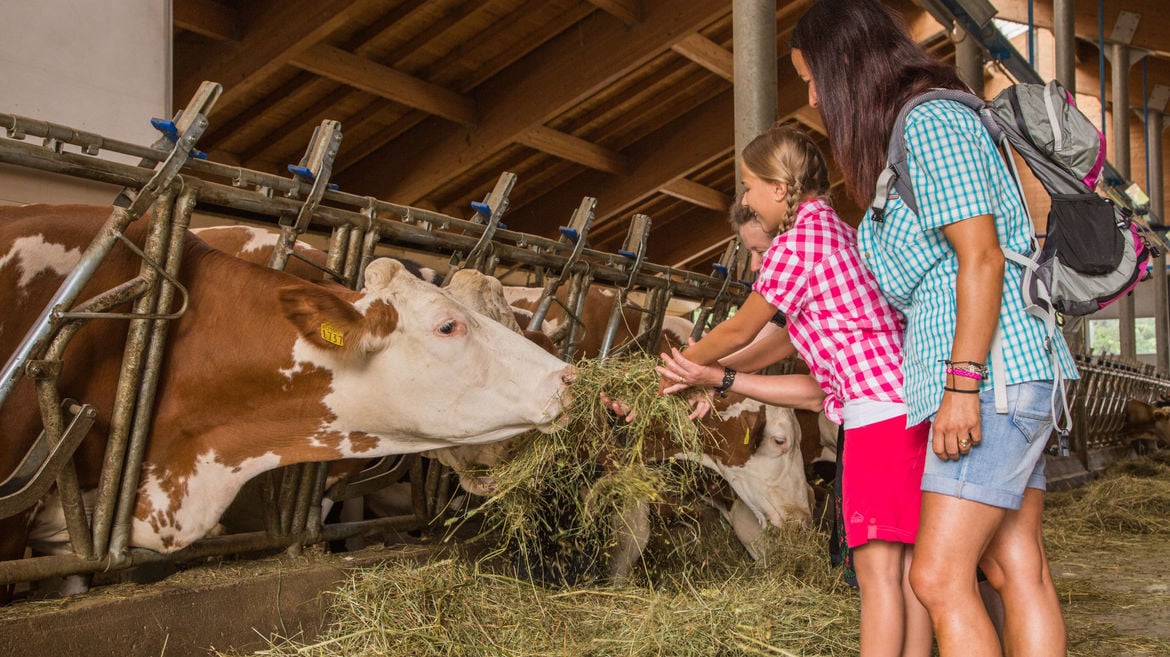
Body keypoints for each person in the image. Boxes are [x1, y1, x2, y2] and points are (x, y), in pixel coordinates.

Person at [789, 1, 1078, 656]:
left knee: (939, 574)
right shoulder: (907, 137)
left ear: (842, 68)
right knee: (1012, 565)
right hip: (1004, 370)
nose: (810, 94)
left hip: (992, 374)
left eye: (811, 77)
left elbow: (982, 255)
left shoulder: (932, 124)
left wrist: (961, 385)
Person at [658, 124, 933, 657]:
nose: (745, 198)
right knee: (906, 575)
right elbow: (778, 340)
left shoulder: (797, 242)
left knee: (877, 578)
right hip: (906, 408)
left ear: (780, 188)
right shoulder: (833, 231)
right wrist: (711, 379)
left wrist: (677, 368)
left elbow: (741, 328)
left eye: (748, 186)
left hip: (876, 418)